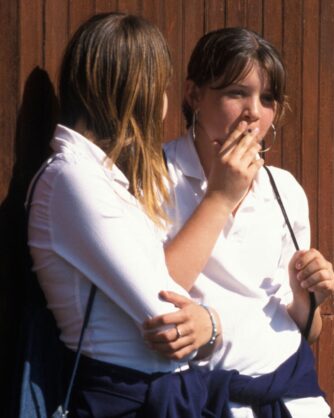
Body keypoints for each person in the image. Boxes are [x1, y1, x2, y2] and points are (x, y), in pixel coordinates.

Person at [26, 12, 237, 416]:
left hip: (151, 393)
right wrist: (212, 322)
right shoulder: (71, 177)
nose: (164, 105)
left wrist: (207, 325)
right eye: (160, 88)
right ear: (135, 92)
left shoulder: (100, 177)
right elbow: (169, 317)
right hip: (123, 398)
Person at [142, 27, 334, 417]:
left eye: (267, 98)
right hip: (202, 401)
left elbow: (307, 330)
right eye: (236, 93)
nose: (254, 112)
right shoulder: (153, 177)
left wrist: (308, 298)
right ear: (193, 95)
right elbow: (147, 295)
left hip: (295, 400)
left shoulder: (284, 190)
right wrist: (221, 195)